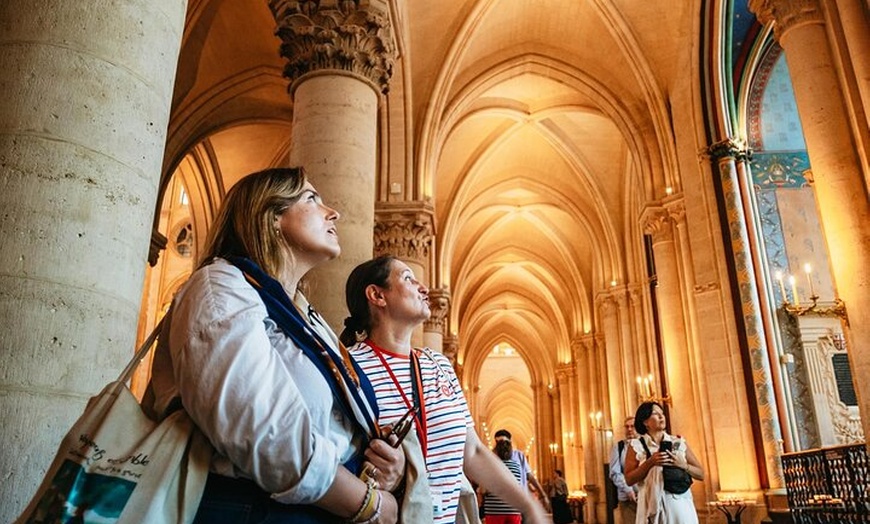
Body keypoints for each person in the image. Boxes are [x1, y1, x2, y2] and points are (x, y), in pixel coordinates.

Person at [146, 168, 404, 524]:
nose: (334, 212)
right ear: (271, 217)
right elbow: (266, 434)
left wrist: (387, 464)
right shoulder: (219, 288)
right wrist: (370, 505)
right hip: (251, 512)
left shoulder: (302, 313)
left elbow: (337, 423)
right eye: (312, 199)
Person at [341, 255, 549, 524]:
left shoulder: (438, 364)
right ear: (377, 295)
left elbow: (472, 452)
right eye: (408, 278)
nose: (423, 287)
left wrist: (528, 506)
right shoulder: (350, 367)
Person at [624, 402, 703, 524]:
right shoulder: (636, 445)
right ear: (645, 422)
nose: (661, 417)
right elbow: (629, 479)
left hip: (680, 503)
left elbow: (701, 474)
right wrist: (650, 463)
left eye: (662, 414)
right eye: (656, 414)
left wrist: (683, 465)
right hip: (651, 503)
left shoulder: (678, 442)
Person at [492, 429, 549, 512]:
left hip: (520, 502)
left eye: (504, 442)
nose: (501, 445)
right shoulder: (492, 457)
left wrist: (543, 494)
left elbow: (529, 476)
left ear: (510, 442)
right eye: (498, 443)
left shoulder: (519, 455)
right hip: (499, 504)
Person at [482, 439, 524, 524]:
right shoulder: (516, 466)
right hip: (513, 510)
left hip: (495, 511)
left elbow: (484, 490)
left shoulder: (491, 465)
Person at [609, 416, 639, 524]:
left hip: (645, 496)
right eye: (627, 427)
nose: (630, 429)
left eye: (633, 426)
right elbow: (615, 473)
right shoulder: (619, 447)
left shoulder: (645, 445)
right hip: (627, 499)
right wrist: (628, 489)